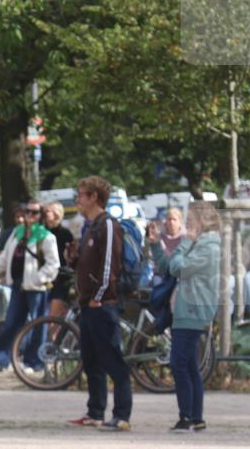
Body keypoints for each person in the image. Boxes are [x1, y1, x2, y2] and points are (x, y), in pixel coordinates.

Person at [66, 176, 133, 432]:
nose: (78, 200)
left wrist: (99, 296)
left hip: (102, 305)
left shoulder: (107, 225)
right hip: (88, 304)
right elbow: (88, 264)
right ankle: (95, 412)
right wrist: (73, 260)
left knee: (112, 359)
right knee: (91, 359)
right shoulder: (91, 227)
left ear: (94, 197)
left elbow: (109, 265)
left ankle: (122, 415)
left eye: (81, 195)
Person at [148, 202, 221, 432]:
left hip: (192, 310)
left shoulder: (209, 247)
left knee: (179, 362)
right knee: (188, 365)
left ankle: (187, 416)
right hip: (183, 310)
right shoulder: (199, 244)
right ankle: (195, 417)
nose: (188, 222)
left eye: (192, 218)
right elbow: (169, 265)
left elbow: (180, 268)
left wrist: (186, 242)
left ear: (203, 220)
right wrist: (155, 246)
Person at [0, 199, 59, 373]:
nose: (30, 215)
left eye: (35, 212)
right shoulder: (17, 233)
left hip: (36, 287)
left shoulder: (46, 237)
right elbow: (4, 259)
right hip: (17, 285)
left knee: (38, 324)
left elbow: (53, 265)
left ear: (41, 216)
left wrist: (37, 279)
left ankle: (35, 362)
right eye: (27, 211)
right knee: (11, 322)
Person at [43, 201, 75, 318]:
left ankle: (53, 334)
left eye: (48, 211)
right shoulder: (41, 232)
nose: (45, 214)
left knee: (54, 313)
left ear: (56, 214)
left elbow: (71, 255)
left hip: (61, 277)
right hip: (45, 276)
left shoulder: (65, 233)